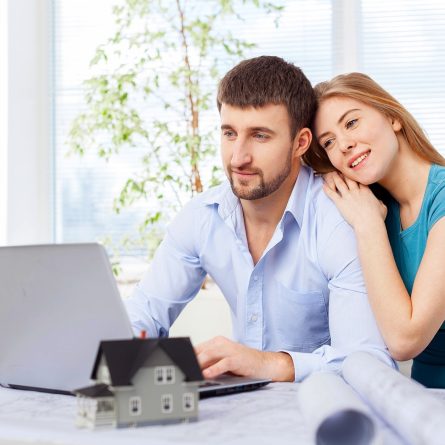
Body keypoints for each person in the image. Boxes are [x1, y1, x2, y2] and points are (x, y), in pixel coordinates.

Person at [125, 56, 393, 383]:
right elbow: (142, 314)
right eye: (229, 133)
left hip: (324, 405)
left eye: (260, 136)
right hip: (241, 406)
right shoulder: (202, 216)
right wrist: (119, 355)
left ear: (300, 143)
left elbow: (368, 360)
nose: (238, 157)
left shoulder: (339, 218)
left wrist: (267, 364)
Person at [306, 72, 445, 388]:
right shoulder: (376, 207)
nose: (344, 144)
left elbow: (405, 341)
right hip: (425, 400)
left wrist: (368, 226)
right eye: (328, 142)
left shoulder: (375, 217)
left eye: (351, 123)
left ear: (393, 118)